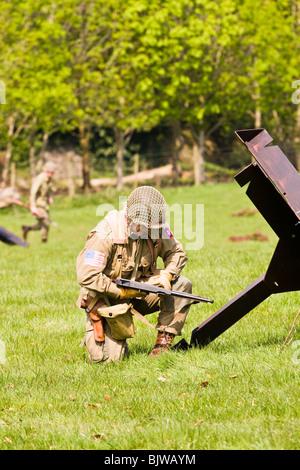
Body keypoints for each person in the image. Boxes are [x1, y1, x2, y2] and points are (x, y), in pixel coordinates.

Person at [76, 185, 192, 363]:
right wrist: (120, 292)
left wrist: (167, 274)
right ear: (130, 220)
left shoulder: (154, 225)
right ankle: (104, 335)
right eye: (146, 228)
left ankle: (162, 348)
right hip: (108, 301)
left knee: (181, 285)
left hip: (140, 292)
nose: (153, 232)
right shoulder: (105, 233)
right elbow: (87, 276)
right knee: (108, 361)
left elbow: (177, 252)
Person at [22, 161, 55, 243]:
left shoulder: (49, 179)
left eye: (52, 173)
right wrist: (33, 206)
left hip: (44, 205)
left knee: (45, 223)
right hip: (38, 205)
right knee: (46, 222)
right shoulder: (40, 178)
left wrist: (50, 197)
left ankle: (27, 228)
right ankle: (44, 241)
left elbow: (48, 190)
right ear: (45, 171)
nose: (50, 174)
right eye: (48, 172)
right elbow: (33, 192)